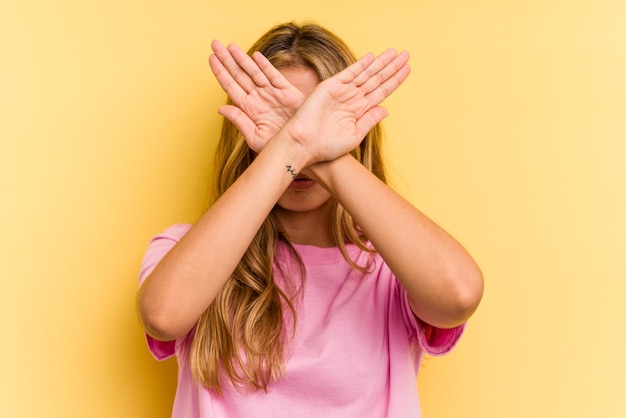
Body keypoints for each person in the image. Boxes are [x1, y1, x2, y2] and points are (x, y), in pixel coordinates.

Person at [137, 21, 483, 418]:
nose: (303, 139)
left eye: (317, 121)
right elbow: (163, 316)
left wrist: (317, 151)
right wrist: (293, 145)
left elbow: (459, 294)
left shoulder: (393, 263)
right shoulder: (187, 249)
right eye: (287, 123)